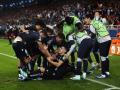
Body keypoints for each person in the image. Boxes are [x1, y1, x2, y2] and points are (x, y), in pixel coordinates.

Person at [84, 14, 111, 79]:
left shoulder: (91, 25)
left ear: (89, 18)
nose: (85, 20)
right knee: (106, 57)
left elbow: (93, 35)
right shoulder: (97, 21)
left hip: (103, 40)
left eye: (85, 18)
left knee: (103, 58)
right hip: (108, 39)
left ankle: (103, 74)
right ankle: (107, 72)